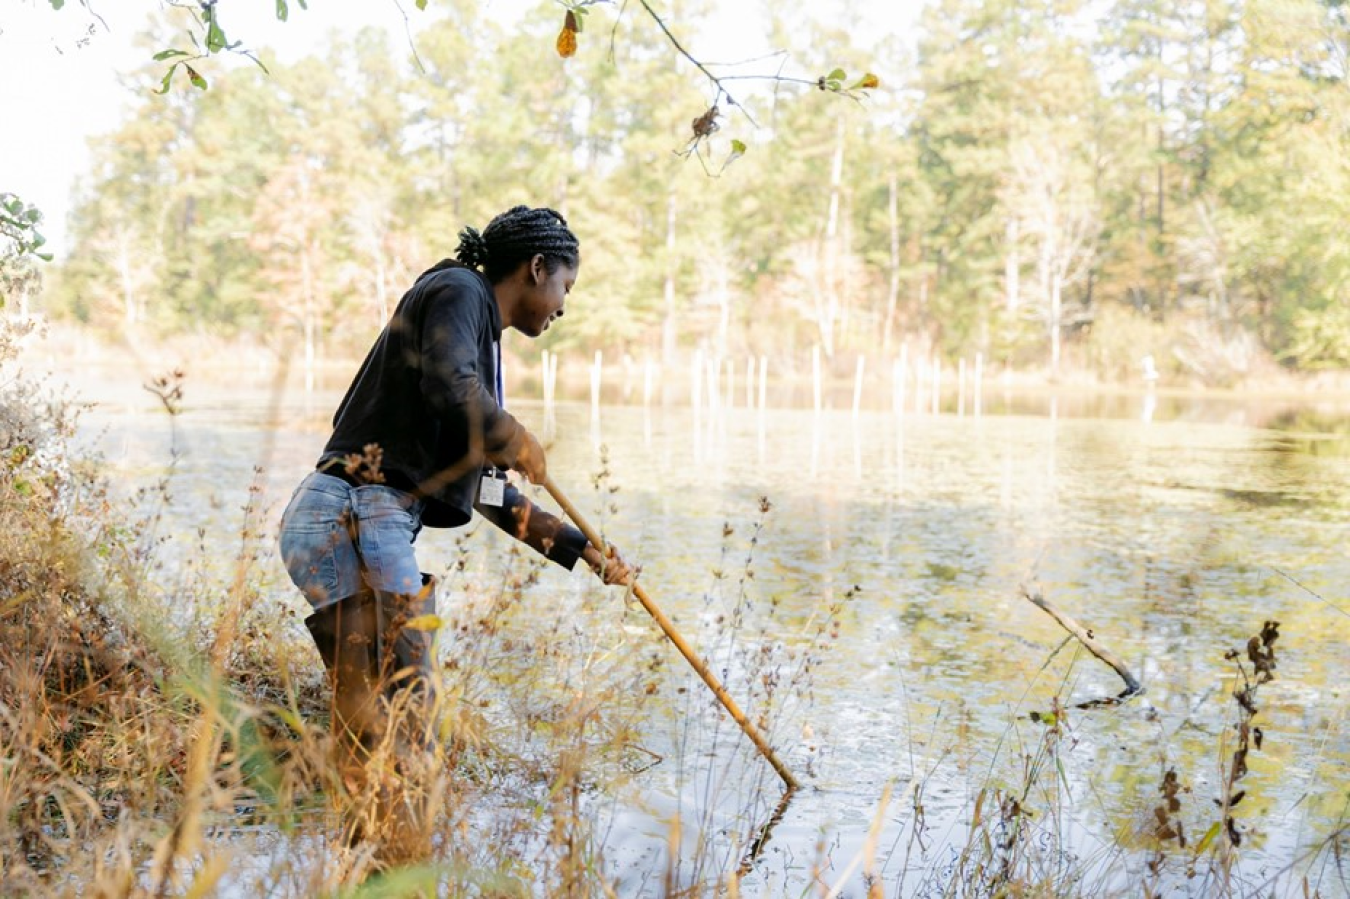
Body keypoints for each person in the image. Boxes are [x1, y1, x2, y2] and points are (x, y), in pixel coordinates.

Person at [277, 205, 633, 864]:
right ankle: (399, 852)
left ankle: (367, 851)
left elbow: (492, 492)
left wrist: (582, 551)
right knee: (406, 695)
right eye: (566, 288)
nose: (563, 307)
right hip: (354, 507)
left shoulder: (479, 346)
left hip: (350, 516)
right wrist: (513, 433)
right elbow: (451, 385)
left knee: (374, 702)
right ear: (536, 268)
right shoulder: (457, 291)